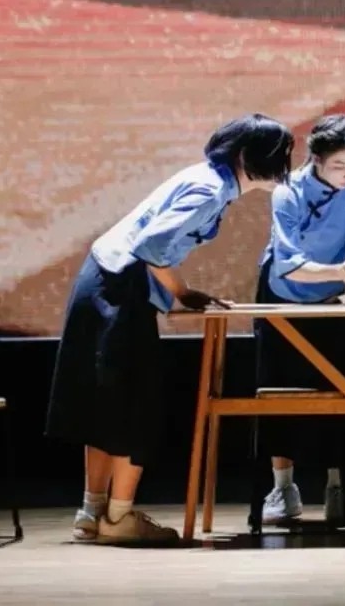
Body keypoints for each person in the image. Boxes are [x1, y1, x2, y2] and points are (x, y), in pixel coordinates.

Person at [45, 114, 294, 545]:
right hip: (118, 288)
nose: (284, 163)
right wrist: (183, 292)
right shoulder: (211, 188)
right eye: (278, 153)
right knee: (134, 405)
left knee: (107, 403)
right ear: (246, 155)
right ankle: (118, 517)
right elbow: (152, 246)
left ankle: (92, 513)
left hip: (103, 280)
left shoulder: (208, 179)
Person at [255, 114, 345, 526]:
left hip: (339, 292)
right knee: (280, 391)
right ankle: (283, 489)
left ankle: (338, 487)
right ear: (315, 160)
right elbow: (288, 264)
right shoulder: (286, 192)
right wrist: (337, 272)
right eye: (339, 166)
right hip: (286, 294)